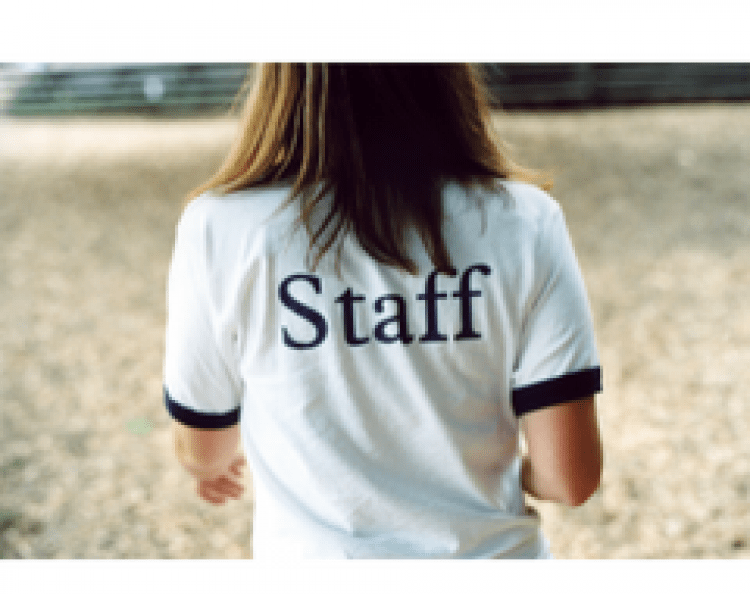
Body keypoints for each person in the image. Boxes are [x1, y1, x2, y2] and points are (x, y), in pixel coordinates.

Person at [163, 63, 603, 559]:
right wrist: (489, 478)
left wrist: (209, 468)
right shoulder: (526, 220)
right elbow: (569, 477)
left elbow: (203, 445)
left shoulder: (219, 227)